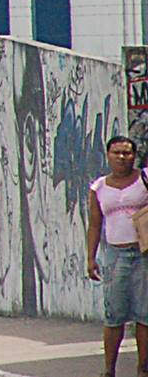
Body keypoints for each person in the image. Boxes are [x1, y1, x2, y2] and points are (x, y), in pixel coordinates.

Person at [88, 133, 148, 376]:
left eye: (127, 153)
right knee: (114, 315)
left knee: (145, 315)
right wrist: (90, 257)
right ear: (108, 156)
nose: (122, 157)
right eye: (117, 153)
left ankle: (143, 369)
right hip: (115, 255)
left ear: (134, 156)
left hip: (143, 254)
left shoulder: (144, 179)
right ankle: (109, 369)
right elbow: (94, 224)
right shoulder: (99, 187)